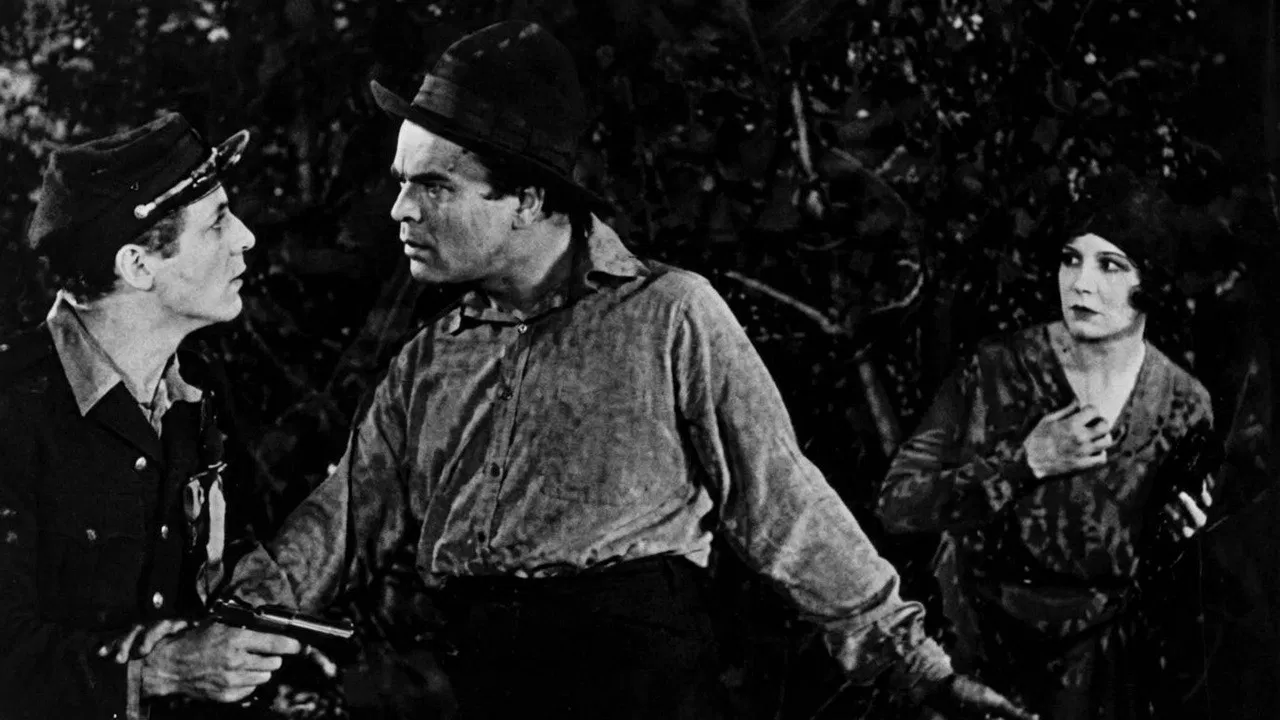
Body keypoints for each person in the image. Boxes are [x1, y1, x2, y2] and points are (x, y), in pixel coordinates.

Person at [225, 20, 1032, 720]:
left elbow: (783, 502)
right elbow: (342, 522)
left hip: (640, 692)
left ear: (529, 199)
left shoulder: (668, 317)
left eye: (434, 186)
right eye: (402, 184)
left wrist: (917, 668)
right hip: (480, 688)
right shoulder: (432, 361)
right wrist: (222, 623)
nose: (401, 210)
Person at [877, 169, 1217, 719]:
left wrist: (1184, 536)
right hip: (979, 656)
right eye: (1070, 259)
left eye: (1110, 265)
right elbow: (897, 503)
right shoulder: (994, 371)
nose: (1080, 284)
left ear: (1150, 281)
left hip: (1100, 678)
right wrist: (1024, 464)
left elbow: (1178, 579)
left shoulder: (1183, 403)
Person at [0, 113, 303, 720]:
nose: (245, 237)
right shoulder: (14, 410)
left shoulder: (195, 394)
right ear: (138, 266)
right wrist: (159, 672)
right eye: (217, 222)